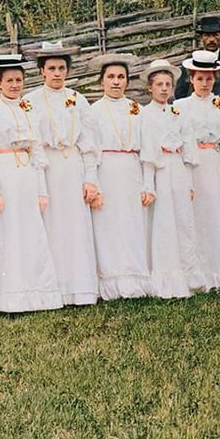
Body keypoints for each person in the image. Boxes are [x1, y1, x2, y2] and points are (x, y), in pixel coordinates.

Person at [0, 53, 63, 313]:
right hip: (3, 172)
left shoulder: (28, 109)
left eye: (19, 80)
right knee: (4, 233)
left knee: (29, 232)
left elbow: (37, 150)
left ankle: (32, 293)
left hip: (26, 175)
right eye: (9, 81)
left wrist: (42, 190)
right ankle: (4, 297)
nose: (15, 85)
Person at [23, 40, 100, 306]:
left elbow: (89, 141)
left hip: (73, 165)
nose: (57, 73)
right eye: (51, 68)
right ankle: (52, 288)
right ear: (42, 71)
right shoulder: (30, 101)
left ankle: (80, 288)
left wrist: (91, 179)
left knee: (75, 226)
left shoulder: (78, 99)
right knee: (51, 224)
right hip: (47, 167)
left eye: (61, 68)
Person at [86, 53, 153, 299]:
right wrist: (94, 184)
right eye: (111, 77)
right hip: (106, 170)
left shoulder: (137, 110)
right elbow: (90, 151)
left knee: (132, 224)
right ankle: (111, 281)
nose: (116, 82)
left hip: (132, 170)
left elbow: (147, 149)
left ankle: (134, 279)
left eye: (121, 77)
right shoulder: (93, 111)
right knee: (108, 225)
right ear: (101, 81)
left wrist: (148, 184)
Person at [140, 59, 205, 298]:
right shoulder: (145, 114)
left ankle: (189, 274)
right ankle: (166, 277)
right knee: (164, 220)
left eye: (168, 84)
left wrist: (189, 182)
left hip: (177, 167)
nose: (164, 89)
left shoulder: (178, 112)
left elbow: (187, 147)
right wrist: (148, 185)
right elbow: (147, 152)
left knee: (183, 220)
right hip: (159, 169)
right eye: (159, 84)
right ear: (150, 87)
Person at [174, 53, 220, 291]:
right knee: (192, 215)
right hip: (190, 163)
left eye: (209, 78)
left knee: (215, 213)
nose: (205, 83)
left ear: (215, 79)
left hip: (213, 162)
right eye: (200, 78)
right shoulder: (180, 106)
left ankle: (217, 270)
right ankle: (193, 270)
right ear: (191, 79)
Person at [175, 16, 220, 100]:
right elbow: (180, 92)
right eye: (207, 35)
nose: (211, 39)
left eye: (215, 35)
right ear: (201, 37)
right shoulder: (191, 61)